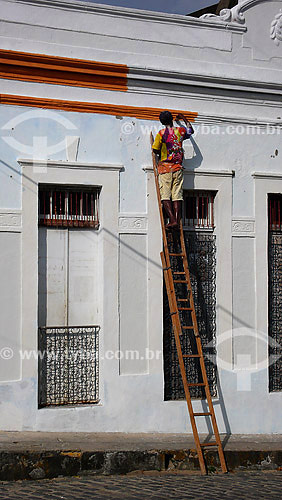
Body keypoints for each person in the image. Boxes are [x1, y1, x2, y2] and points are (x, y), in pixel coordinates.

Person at [152, 110, 194, 228]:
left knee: (165, 195)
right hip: (178, 168)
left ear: (162, 122)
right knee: (177, 195)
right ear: (171, 120)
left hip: (165, 168)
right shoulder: (180, 131)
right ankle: (176, 218)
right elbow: (191, 131)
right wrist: (184, 119)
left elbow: (155, 149)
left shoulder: (161, 133)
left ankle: (172, 220)